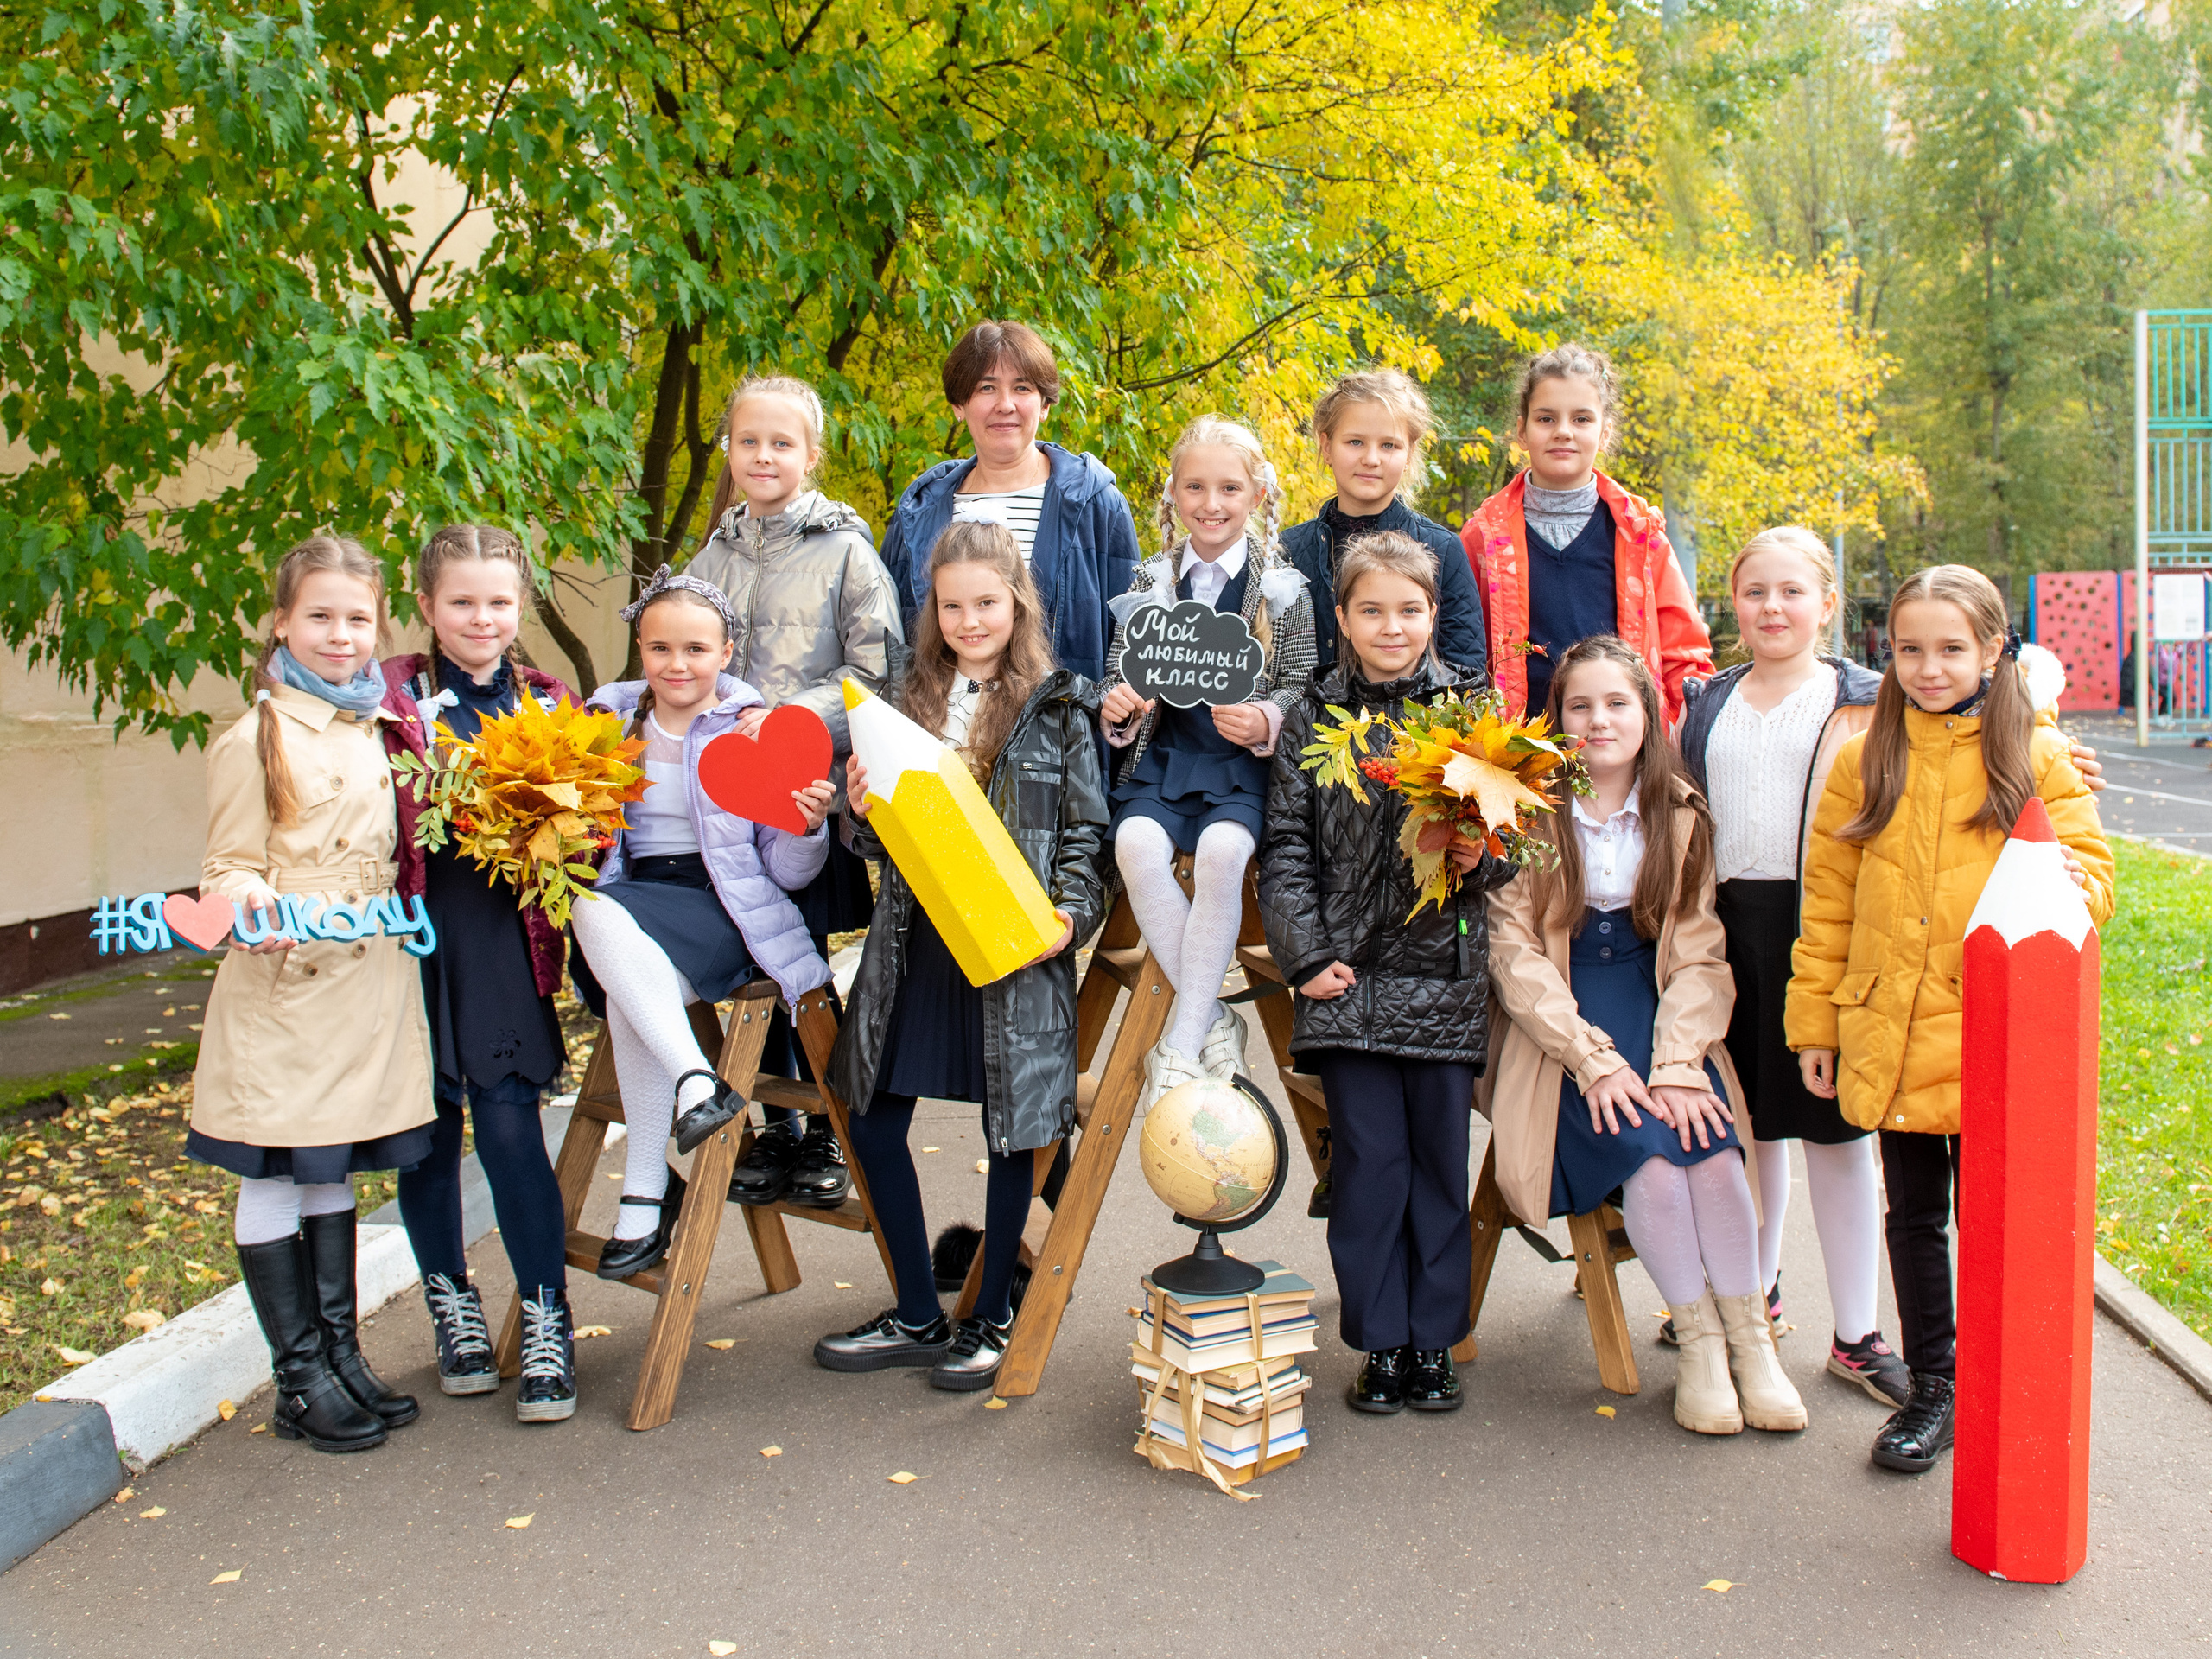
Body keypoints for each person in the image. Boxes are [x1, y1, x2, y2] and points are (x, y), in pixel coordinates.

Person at [1789, 563, 2113, 1475]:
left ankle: (2005, 1382)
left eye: (1950, 649)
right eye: (1908, 650)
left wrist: (2036, 885)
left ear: (1991, 652)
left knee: (1998, 1219)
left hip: (1995, 1038)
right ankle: (1935, 1385)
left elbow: (2091, 882)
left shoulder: (2033, 757)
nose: (1928, 668)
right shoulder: (1864, 759)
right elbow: (1830, 905)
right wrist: (1815, 1024)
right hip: (1890, 1028)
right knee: (1914, 1215)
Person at [1489, 635, 1807, 1438]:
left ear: (1649, 713)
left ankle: (1752, 1345)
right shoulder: (1528, 806)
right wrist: (1592, 1061)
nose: (1599, 721)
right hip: (1558, 1017)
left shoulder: (1679, 812)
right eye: (1579, 706)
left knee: (1707, 1142)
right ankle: (1698, 1346)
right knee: (1655, 1163)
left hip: (1656, 995)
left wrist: (1677, 1060)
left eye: (1616, 703)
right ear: (1556, 719)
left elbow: (1700, 950)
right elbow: (1513, 952)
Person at [817, 521, 1108, 1391]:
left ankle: (988, 1320)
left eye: (986, 602)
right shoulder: (903, 702)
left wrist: (1070, 914)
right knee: (869, 1119)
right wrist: (860, 812)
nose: (970, 620)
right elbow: (880, 851)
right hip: (913, 944)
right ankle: (914, 1310)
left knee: (1013, 1130)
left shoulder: (1057, 707)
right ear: (932, 611)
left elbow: (1085, 834)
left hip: (1013, 947)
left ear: (1015, 602)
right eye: (952, 605)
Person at [190, 535, 436, 1454]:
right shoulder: (254, 734)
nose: (342, 636)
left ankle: (342, 1357)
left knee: (331, 1171)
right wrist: (252, 902)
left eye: (358, 619)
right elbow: (226, 867)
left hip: (369, 979)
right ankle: (298, 1379)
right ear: (283, 623)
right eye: (321, 617)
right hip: (288, 986)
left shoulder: (383, 726)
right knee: (277, 1170)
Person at [1256, 531, 1512, 1416]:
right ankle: (1381, 1342)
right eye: (1371, 610)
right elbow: (1284, 848)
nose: (1391, 626)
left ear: (1433, 615)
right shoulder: (1313, 718)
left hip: (1439, 976)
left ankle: (1433, 1342)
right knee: (1369, 1168)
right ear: (1341, 618)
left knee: (1439, 1165)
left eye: (1408, 610)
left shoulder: (1468, 710)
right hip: (1347, 980)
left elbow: (1510, 840)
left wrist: (1484, 852)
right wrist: (1306, 955)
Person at [1675, 527, 1900, 1405]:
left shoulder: (1866, 701)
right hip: (1729, 931)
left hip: (1825, 933)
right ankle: (1753, 1299)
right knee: (1748, 1128)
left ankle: (1856, 1332)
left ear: (1826, 605)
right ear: (1732, 602)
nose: (1772, 608)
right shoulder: (1707, 701)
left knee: (1837, 1134)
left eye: (1791, 592)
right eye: (1755, 592)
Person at [568, 568, 838, 1280]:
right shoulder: (605, 724)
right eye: (660, 649)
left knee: (607, 937)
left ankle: (644, 1197)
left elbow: (787, 873)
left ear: (726, 652)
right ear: (640, 649)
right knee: (605, 929)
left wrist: (809, 827)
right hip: (630, 902)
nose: (677, 664)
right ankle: (687, 1097)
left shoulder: (752, 730)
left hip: (724, 906)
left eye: (695, 648)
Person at [684, 373, 905, 1211]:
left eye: (782, 443)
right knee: (749, 964)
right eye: (748, 442)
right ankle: (771, 1126)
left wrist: (785, 717)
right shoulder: (711, 556)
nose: (764, 456)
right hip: (724, 809)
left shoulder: (847, 553)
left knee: (801, 965)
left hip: (805, 799)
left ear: (811, 455)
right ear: (730, 452)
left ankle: (824, 1134)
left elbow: (874, 672)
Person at [381, 526, 580, 1421]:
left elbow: (590, 827)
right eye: (461, 601)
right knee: (422, 1138)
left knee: (507, 1132)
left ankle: (546, 1317)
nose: (481, 618)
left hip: (504, 941)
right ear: (426, 607)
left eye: (498, 601)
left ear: (520, 607)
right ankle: (451, 1305)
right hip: (410, 944)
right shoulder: (389, 700)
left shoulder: (547, 702)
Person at [1097, 415, 1317, 1104]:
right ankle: (1213, 1014)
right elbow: (1114, 673)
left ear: (1256, 494)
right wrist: (1116, 705)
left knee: (1224, 855)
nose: (1211, 503)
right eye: (1195, 486)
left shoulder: (1280, 585)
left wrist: (1266, 717)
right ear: (1173, 493)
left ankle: (1182, 1044)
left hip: (1238, 767)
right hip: (1164, 761)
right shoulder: (1150, 579)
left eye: (1228, 487)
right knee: (1133, 845)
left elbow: (1302, 681)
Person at [877, 320, 1142, 688]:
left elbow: (1131, 641)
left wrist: (1119, 711)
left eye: (1022, 388)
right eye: (987, 388)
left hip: (1062, 736)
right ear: (959, 405)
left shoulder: (1097, 506)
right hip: (941, 733)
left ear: (1045, 405)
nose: (1005, 405)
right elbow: (891, 643)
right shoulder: (919, 511)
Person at [1459, 343, 1713, 722]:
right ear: (1522, 431)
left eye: (1581, 419)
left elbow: (1684, 656)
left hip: (1618, 751)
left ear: (1605, 432)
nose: (1563, 431)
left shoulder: (1641, 536)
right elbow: (1459, 652)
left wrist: (1679, 740)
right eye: (1546, 419)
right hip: (1514, 754)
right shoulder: (1483, 537)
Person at [1279, 368, 1487, 677]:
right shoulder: (1289, 551)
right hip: (1305, 724)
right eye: (1355, 442)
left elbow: (1466, 671)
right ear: (1327, 447)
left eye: (1389, 445)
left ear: (1409, 453)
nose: (1371, 459)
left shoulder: (1442, 549)